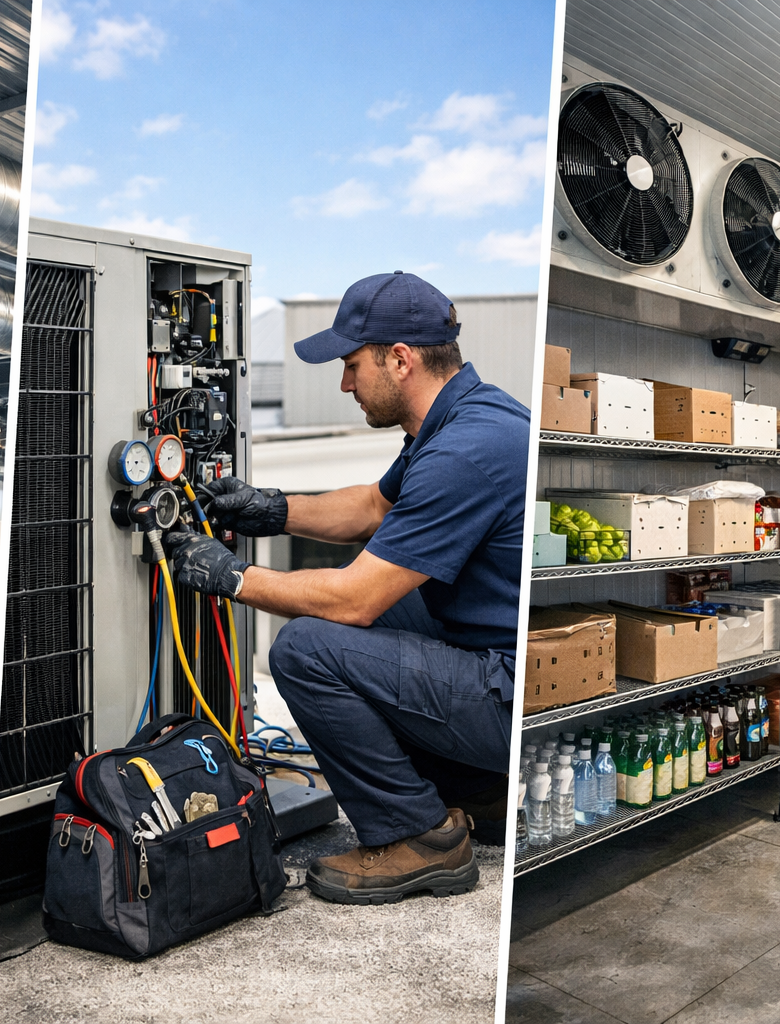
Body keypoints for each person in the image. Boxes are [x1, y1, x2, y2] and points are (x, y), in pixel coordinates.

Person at [162, 271, 527, 905]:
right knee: (399, 605)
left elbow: (355, 598)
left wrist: (234, 577)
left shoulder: (464, 450)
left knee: (307, 648)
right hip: (500, 667)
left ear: (401, 360)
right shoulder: (465, 415)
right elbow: (373, 509)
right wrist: (273, 510)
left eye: (352, 365)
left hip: (509, 696)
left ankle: (420, 837)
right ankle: (476, 792)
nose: (344, 382)